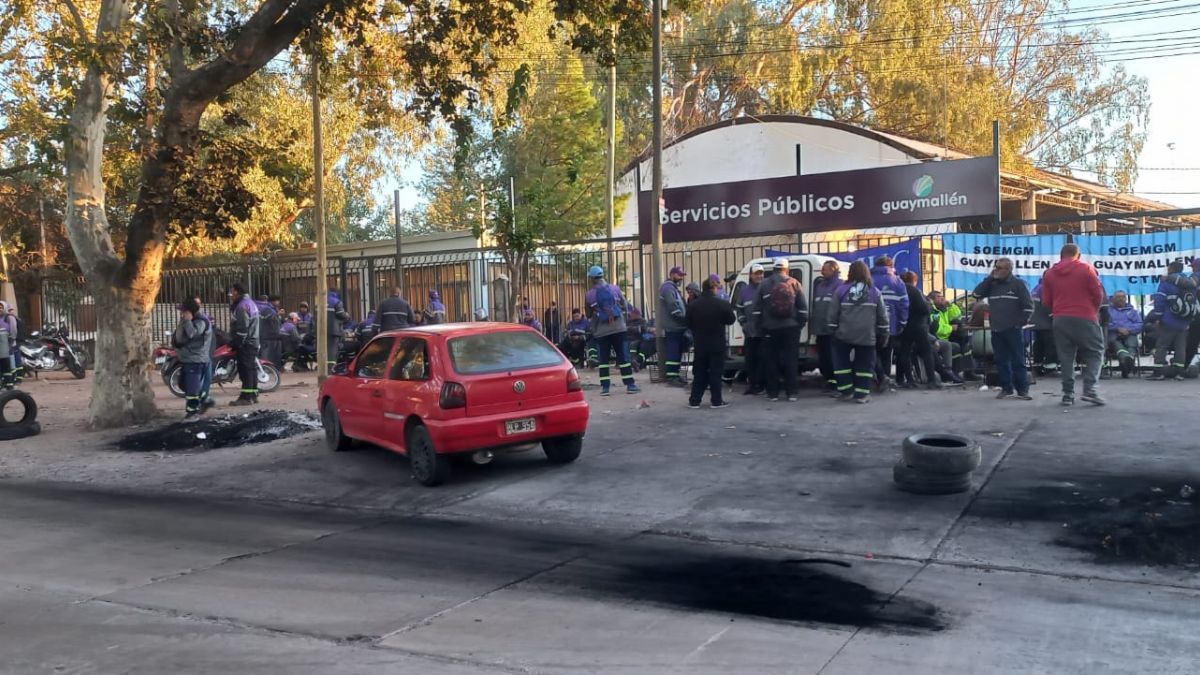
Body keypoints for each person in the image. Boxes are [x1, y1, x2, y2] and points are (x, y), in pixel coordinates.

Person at [1042, 244, 1106, 406]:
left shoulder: (1049, 273)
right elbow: (1098, 294)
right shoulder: (1086, 269)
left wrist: (1057, 310)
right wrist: (1094, 310)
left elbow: (1046, 300)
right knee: (1095, 351)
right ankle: (1090, 389)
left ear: (1061, 255)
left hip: (1060, 318)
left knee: (1066, 356)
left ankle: (1068, 394)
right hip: (1085, 315)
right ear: (1078, 255)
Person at [827, 261, 889, 404]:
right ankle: (862, 395)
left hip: (843, 334)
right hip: (866, 335)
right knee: (865, 366)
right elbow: (882, 315)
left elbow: (832, 313)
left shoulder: (841, 290)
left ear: (850, 273)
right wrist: (884, 332)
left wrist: (832, 329)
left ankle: (846, 392)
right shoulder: (874, 292)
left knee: (841, 365)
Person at [973, 257, 1034, 400]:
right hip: (996, 329)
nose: (996, 270)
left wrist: (1020, 322)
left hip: (1013, 329)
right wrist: (989, 278)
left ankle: (1022, 390)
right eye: (996, 267)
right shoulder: (992, 284)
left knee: (1018, 360)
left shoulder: (1018, 284)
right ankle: (1007, 388)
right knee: (1001, 360)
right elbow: (976, 294)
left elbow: (1028, 307)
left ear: (1008, 270)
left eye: (1000, 268)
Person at [754, 257, 808, 402]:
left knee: (771, 360)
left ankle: (773, 393)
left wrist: (760, 326)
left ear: (773, 269)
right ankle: (792, 393)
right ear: (787, 269)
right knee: (791, 359)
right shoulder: (795, 283)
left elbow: (756, 309)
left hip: (770, 328)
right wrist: (798, 325)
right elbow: (803, 308)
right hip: (791, 329)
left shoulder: (764, 284)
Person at [585, 266, 640, 396]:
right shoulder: (615, 289)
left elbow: (588, 314)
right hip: (619, 328)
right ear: (602, 275)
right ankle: (630, 385)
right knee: (623, 357)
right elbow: (625, 306)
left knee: (603, 360)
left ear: (592, 278)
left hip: (601, 331)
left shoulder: (589, 294)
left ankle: (605, 388)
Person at [686, 278, 736, 408]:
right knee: (716, 372)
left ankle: (694, 400)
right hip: (717, 343)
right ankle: (716, 400)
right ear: (714, 288)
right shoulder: (722, 304)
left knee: (699, 372)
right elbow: (731, 320)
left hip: (700, 344)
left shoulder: (693, 305)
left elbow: (688, 323)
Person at [897, 271, 947, 389]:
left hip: (904, 325)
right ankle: (931, 380)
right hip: (919, 325)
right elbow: (924, 308)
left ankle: (909, 380)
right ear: (914, 281)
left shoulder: (899, 290)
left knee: (905, 352)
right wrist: (929, 305)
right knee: (927, 351)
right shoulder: (915, 291)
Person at [1150, 260, 1197, 381]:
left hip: (1168, 320)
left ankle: (1158, 372)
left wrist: (1157, 316)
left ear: (1171, 269)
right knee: (1180, 347)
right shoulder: (1188, 282)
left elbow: (1159, 300)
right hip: (1184, 321)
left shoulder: (1166, 281)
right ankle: (1179, 372)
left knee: (1162, 346)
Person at [870, 256, 909, 390]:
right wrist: (902, 323)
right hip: (890, 324)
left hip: (870, 324)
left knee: (872, 352)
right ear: (891, 266)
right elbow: (904, 305)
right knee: (887, 354)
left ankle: (875, 378)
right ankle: (884, 380)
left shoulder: (869, 280)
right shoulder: (897, 281)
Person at [173, 299, 213, 421]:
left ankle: (192, 412)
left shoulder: (201, 321)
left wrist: (187, 320)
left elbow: (192, 334)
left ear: (190, 311)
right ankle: (204, 400)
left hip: (196, 360)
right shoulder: (192, 320)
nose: (182, 314)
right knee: (184, 384)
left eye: (184, 311)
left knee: (192, 388)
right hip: (188, 359)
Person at [810, 260, 842, 395]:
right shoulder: (820, 285)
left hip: (832, 330)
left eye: (825, 269)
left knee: (832, 357)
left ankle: (836, 383)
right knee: (823, 358)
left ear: (833, 270)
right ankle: (828, 379)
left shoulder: (839, 285)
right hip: (820, 329)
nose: (822, 271)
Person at [736, 263, 767, 395]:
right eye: (756, 273)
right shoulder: (744, 291)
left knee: (763, 361)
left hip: (763, 333)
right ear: (750, 275)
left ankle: (761, 385)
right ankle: (752, 385)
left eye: (761, 273)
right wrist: (743, 323)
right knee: (750, 361)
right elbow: (739, 309)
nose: (759, 276)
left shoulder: (767, 288)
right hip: (750, 333)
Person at [228, 283, 261, 406]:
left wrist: (237, 343)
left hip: (246, 343)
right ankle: (252, 395)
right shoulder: (250, 303)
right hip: (253, 341)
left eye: (232, 292)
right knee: (251, 369)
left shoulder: (241, 306)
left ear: (237, 292)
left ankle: (246, 398)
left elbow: (242, 328)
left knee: (245, 370)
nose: (231, 295)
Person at [658, 266, 689, 386]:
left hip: (677, 326)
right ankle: (671, 377)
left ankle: (675, 374)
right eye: (679, 275)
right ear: (672, 275)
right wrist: (684, 319)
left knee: (676, 352)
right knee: (673, 352)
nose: (681, 278)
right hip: (673, 326)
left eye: (682, 275)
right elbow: (673, 306)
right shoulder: (668, 288)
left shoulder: (672, 288)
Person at [1107, 290, 1143, 378]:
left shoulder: (1132, 311)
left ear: (1126, 298)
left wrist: (1129, 330)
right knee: (1115, 342)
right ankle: (1126, 360)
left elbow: (1140, 324)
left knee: (1132, 342)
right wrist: (1118, 328)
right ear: (1113, 299)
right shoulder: (1109, 311)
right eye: (1118, 297)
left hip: (1129, 333)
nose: (1121, 299)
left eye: (1123, 297)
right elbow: (1105, 323)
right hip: (1114, 334)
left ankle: (1126, 362)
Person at [1030, 280, 1058, 376]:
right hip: (1046, 323)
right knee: (1051, 344)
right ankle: (1050, 368)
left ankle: (1037, 366)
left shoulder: (1036, 288)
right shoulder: (1045, 289)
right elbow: (1047, 304)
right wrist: (1053, 315)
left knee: (1039, 344)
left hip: (1036, 323)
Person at [326, 289, 350, 368]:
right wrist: (347, 315)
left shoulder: (321, 301)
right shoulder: (336, 302)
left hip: (321, 331)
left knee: (324, 348)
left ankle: (323, 366)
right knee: (332, 348)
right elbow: (340, 314)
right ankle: (331, 366)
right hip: (333, 330)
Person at [256, 294, 282, 367]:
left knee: (274, 355)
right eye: (277, 301)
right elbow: (268, 318)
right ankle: (265, 368)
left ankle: (274, 369)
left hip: (274, 335)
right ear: (273, 301)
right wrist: (277, 314)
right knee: (267, 355)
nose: (279, 302)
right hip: (268, 335)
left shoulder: (273, 309)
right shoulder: (267, 309)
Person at [0, 301, 14, 390]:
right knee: (6, 369)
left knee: (5, 368)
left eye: (1, 307)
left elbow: (12, 333)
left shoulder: (8, 318)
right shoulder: (4, 322)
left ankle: (8, 385)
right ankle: (8, 385)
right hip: (5, 350)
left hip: (4, 349)